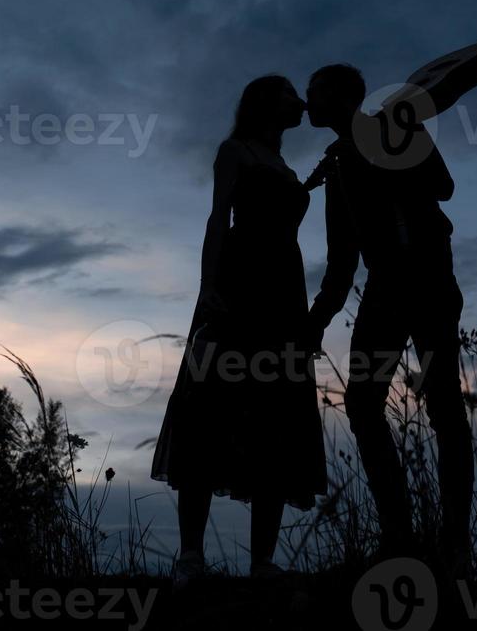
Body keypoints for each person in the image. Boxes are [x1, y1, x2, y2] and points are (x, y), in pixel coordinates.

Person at [151, 76, 327, 584]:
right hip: (239, 284)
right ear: (266, 103)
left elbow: (280, 220)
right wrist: (207, 285)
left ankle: (263, 562)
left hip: (283, 295)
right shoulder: (234, 151)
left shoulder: (288, 167)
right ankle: (190, 556)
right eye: (290, 94)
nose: (300, 102)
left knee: (276, 417)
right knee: (209, 413)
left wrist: (310, 184)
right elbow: (217, 219)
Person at [305, 63, 474, 574]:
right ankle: (399, 539)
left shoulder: (395, 127)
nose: (308, 104)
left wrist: (381, 151)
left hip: (426, 280)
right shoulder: (336, 166)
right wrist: (317, 320)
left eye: (314, 94)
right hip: (384, 290)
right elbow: (341, 262)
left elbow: (443, 186)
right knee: (362, 405)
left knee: (443, 405)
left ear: (337, 96)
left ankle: (454, 547)